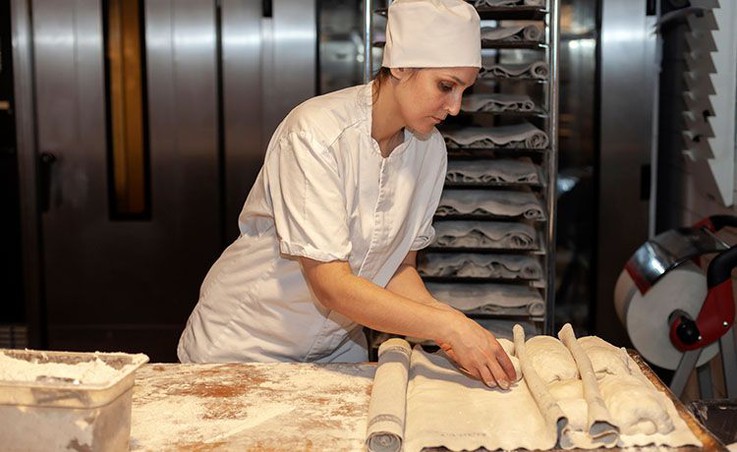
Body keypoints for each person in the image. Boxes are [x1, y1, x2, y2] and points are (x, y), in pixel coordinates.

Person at [178, 0, 517, 389]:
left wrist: (453, 327)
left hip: (337, 350)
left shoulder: (428, 149)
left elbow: (398, 270)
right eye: (445, 86)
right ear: (402, 67)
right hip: (247, 343)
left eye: (464, 91)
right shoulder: (316, 133)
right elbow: (330, 283)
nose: (455, 108)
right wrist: (447, 325)